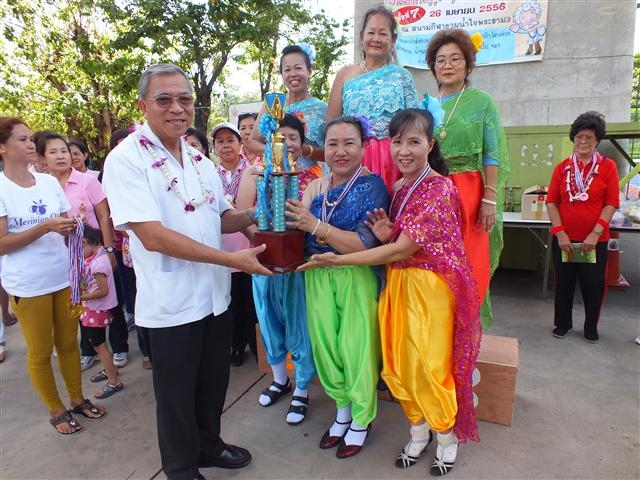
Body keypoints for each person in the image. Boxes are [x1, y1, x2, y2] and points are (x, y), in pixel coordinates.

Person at [102, 63, 270, 480]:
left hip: (214, 297)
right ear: (144, 105)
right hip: (171, 303)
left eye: (185, 99)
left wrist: (261, 218)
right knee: (176, 397)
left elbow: (220, 216)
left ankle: (209, 447)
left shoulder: (198, 158)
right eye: (165, 99)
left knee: (212, 387)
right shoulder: (125, 160)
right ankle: (180, 469)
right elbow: (153, 236)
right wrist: (233, 261)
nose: (177, 108)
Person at [299, 109, 481, 476]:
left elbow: (403, 249)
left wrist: (339, 260)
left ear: (431, 145)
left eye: (414, 141)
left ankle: (445, 437)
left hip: (429, 289)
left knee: (429, 366)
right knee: (398, 363)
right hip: (398, 283)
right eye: (398, 141)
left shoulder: (440, 188)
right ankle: (418, 430)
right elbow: (395, 243)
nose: (404, 150)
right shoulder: (398, 188)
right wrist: (386, 235)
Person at [286, 116, 389, 458]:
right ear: (322, 148)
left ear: (363, 147)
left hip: (354, 274)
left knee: (355, 346)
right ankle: (342, 411)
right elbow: (300, 230)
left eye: (349, 143)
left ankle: (361, 418)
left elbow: (364, 244)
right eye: (333, 144)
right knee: (327, 346)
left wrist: (315, 226)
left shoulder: (373, 186)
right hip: (316, 274)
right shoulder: (319, 185)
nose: (340, 151)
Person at [0, 116, 106, 435]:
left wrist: (72, 225)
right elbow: (2, 244)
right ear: (2, 148)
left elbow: (64, 223)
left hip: (63, 278)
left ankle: (77, 399)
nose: (30, 143)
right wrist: (43, 227)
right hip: (28, 285)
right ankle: (56, 409)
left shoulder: (46, 182)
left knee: (69, 344)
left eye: (31, 138)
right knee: (41, 351)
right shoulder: (2, 188)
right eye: (22, 139)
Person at [425, 28, 510, 328]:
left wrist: (489, 197)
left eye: (455, 59)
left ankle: (467, 349)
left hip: (471, 193)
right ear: (432, 66)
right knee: (437, 266)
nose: (447, 66)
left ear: (468, 64)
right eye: (440, 60)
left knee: (469, 267)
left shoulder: (482, 102)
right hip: (436, 194)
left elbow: (492, 152)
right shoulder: (427, 107)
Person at [236, 113, 317, 426]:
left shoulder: (314, 176)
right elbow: (242, 216)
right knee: (269, 322)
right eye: (277, 139)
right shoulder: (255, 174)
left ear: (301, 142)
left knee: (299, 325)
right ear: (267, 144)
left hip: (298, 267)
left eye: (291, 139)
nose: (285, 145)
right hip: (264, 263)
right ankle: (280, 379)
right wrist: (264, 242)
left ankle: (302, 389)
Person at [37, 133, 129, 371]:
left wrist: (109, 250)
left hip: (95, 252)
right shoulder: (43, 186)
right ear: (43, 159)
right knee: (78, 302)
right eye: (53, 152)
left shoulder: (88, 181)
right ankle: (88, 349)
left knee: (109, 299)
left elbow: (103, 216)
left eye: (64, 151)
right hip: (66, 257)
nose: (61, 156)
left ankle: (119, 347)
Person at [326, 5, 418, 192]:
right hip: (353, 159)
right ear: (361, 37)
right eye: (371, 32)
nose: (376, 39)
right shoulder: (345, 75)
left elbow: (413, 126)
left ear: (393, 39)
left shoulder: (402, 77)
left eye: (383, 34)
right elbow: (331, 125)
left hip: (393, 161)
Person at [546, 111, 619, 343]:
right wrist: (560, 233)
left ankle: (590, 326)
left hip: (594, 241)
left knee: (593, 285)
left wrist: (595, 234)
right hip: (566, 241)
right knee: (564, 283)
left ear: (597, 140)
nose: (583, 142)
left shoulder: (608, 168)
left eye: (588, 137)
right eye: (579, 137)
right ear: (573, 139)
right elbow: (551, 201)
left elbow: (611, 203)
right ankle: (563, 323)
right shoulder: (562, 168)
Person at [211, 121, 258, 367]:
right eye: (220, 141)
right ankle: (236, 346)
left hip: (249, 250)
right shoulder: (209, 175)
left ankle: (256, 345)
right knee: (231, 305)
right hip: (224, 253)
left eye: (231, 140)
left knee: (251, 304)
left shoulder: (254, 171)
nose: (226, 145)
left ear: (241, 144)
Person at [247, 44, 327, 177]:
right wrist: (277, 151)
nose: (293, 74)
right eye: (287, 70)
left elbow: (331, 151)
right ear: (282, 74)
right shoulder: (272, 104)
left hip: (311, 179)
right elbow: (253, 143)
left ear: (309, 71)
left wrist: (305, 150)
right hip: (277, 177)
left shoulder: (323, 109)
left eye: (298, 68)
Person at [80, 225, 124, 399]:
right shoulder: (98, 256)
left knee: (99, 345)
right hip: (94, 307)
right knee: (98, 344)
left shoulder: (98, 263)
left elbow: (103, 290)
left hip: (96, 308)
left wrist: (82, 296)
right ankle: (110, 370)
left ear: (85, 242)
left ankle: (114, 380)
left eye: (79, 248)